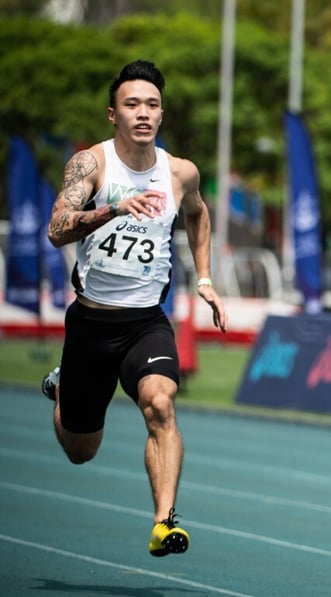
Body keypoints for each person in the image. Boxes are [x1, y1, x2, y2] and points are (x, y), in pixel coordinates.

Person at [41, 59, 228, 557]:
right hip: (90, 323)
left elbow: (199, 215)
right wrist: (113, 209)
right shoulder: (92, 164)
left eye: (151, 105)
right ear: (113, 114)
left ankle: (164, 521)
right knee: (81, 451)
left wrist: (205, 278)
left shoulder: (181, 172)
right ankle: (63, 388)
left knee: (161, 405)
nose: (142, 113)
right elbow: (56, 228)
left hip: (145, 321)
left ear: (161, 114)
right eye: (131, 105)